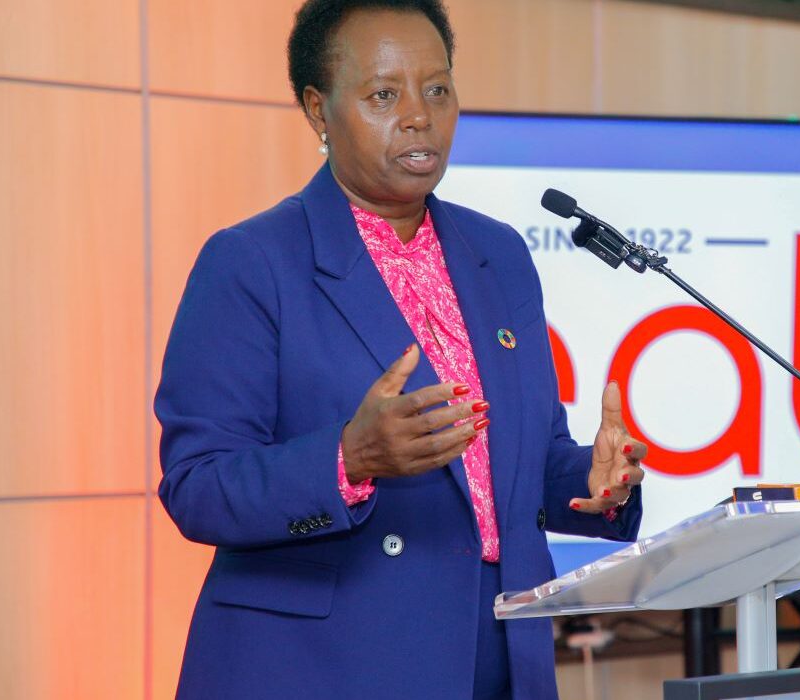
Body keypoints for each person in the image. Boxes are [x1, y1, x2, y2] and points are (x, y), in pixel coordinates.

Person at [154, 1, 646, 697]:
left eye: (437, 89)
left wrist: (591, 484)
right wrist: (347, 458)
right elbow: (197, 486)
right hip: (325, 665)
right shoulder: (252, 262)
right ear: (318, 110)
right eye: (385, 94)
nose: (419, 115)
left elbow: (516, 466)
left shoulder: (497, 254)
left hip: (500, 652)